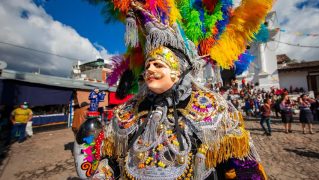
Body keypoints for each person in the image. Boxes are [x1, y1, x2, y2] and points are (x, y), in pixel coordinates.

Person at [73, 0, 273, 179]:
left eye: (158, 65)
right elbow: (112, 161)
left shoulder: (216, 111)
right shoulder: (127, 112)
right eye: (148, 65)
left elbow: (244, 170)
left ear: (178, 72)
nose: (149, 69)